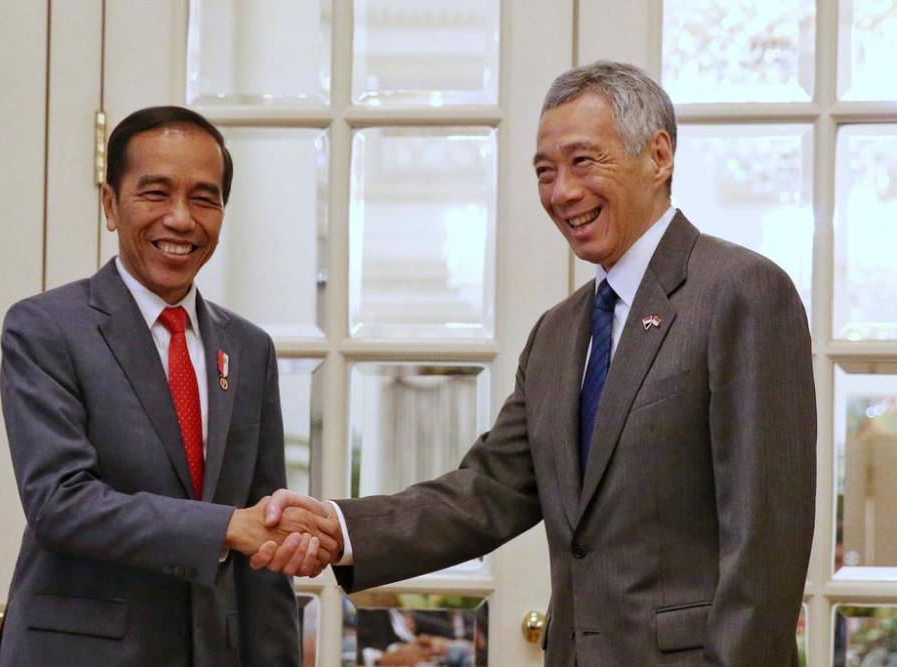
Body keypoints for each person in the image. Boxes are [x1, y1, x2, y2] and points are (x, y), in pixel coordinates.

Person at [255, 61, 817, 666]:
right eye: (545, 172)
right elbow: (488, 491)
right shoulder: (558, 333)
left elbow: (766, 547)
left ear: (658, 156)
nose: (562, 192)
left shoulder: (742, 292)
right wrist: (340, 527)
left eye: (583, 161)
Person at [0, 106, 337, 666]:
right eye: (156, 194)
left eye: (204, 199)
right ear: (110, 204)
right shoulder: (46, 328)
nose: (180, 219)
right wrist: (228, 527)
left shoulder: (249, 348)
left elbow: (263, 536)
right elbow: (59, 503)